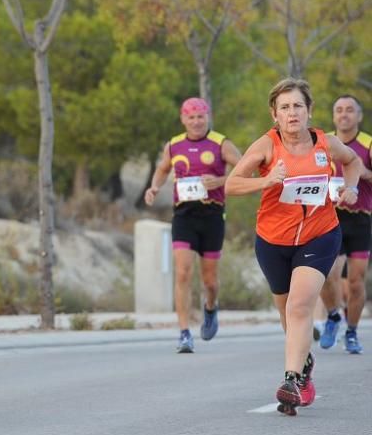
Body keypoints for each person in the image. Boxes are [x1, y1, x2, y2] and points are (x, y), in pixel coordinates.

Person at [225, 78, 362, 416]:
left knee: (300, 306)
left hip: (320, 234)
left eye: (297, 106)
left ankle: (293, 381)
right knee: (287, 313)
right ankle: (305, 361)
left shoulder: (325, 143)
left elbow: (354, 162)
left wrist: (352, 187)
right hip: (272, 240)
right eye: (284, 107)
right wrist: (266, 180)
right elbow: (232, 184)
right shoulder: (266, 147)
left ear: (309, 110)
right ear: (275, 114)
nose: (292, 113)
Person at [145, 97, 242, 353]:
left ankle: (210, 307)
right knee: (183, 272)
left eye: (200, 116)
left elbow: (245, 168)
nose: (196, 121)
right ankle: (185, 333)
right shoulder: (174, 145)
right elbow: (162, 169)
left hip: (212, 216)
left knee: (209, 281)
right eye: (191, 117)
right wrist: (154, 187)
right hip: (184, 216)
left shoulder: (221, 143)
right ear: (183, 119)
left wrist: (220, 181)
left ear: (207, 117)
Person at [317, 95, 372, 354]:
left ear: (359, 116)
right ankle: (332, 316)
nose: (344, 115)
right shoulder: (323, 141)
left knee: (356, 282)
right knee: (326, 275)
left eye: (350, 110)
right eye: (339, 110)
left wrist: (364, 174)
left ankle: (351, 332)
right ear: (333, 115)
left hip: (360, 218)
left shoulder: (368, 143)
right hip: (330, 216)